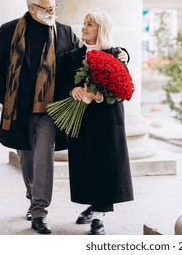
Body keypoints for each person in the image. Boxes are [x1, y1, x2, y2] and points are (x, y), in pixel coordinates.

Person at [0, 0, 129, 234]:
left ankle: (40, 211)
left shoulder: (63, 32)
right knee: (27, 158)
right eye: (47, 8)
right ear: (32, 8)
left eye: (55, 7)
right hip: (19, 109)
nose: (53, 11)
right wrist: (5, 96)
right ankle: (33, 195)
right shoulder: (9, 30)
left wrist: (122, 54)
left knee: (44, 157)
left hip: (49, 110)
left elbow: (93, 55)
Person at [57, 12, 134, 235]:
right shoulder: (73, 56)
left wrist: (98, 96)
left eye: (89, 24)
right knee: (85, 163)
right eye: (83, 23)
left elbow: (123, 90)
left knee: (104, 164)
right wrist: (73, 90)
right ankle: (92, 205)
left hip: (107, 119)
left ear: (101, 28)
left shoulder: (116, 54)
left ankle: (99, 216)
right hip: (80, 118)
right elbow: (60, 82)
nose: (83, 27)